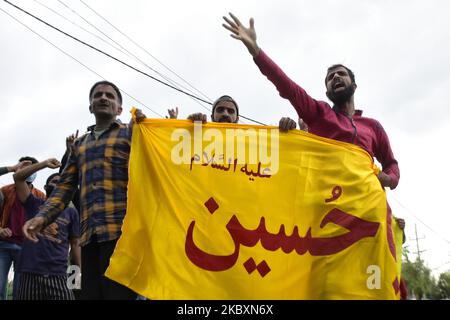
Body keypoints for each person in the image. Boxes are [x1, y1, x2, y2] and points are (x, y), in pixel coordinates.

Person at [222, 13, 399, 189]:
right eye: (330, 77)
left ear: (354, 85)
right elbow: (287, 86)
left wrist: (388, 179)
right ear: (327, 91)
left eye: (341, 74)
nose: (335, 76)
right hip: (329, 206)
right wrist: (256, 51)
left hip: (369, 209)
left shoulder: (373, 126)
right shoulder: (320, 113)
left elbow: (392, 165)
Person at [22, 80, 146, 300]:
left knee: (118, 296)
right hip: (88, 238)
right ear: (90, 107)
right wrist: (41, 218)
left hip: (122, 237)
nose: (103, 98)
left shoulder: (131, 134)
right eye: (98, 95)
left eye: (110, 95)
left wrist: (193, 129)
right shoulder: (79, 145)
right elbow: (64, 188)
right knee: (89, 296)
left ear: (119, 108)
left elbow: (160, 161)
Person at [13, 158, 80, 300]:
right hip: (30, 273)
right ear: (45, 187)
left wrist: (77, 276)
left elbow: (75, 245)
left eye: (60, 183)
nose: (57, 185)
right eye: (54, 182)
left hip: (59, 275)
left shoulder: (71, 212)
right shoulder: (33, 203)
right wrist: (43, 164)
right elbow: (18, 178)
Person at [0, 157, 45, 300]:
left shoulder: (40, 195)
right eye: (25, 167)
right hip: (4, 244)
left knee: (21, 291)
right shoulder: (5, 191)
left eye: (32, 167)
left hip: (26, 247)